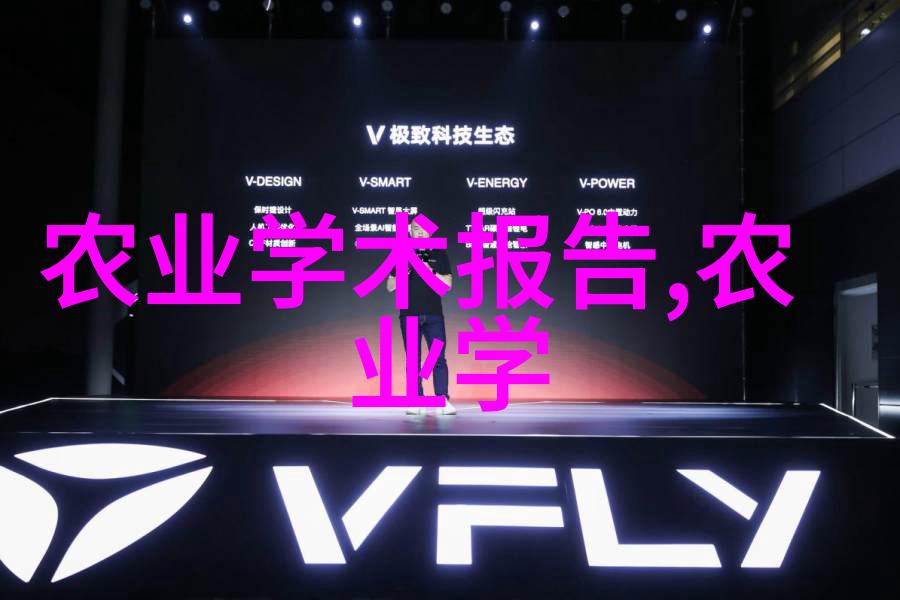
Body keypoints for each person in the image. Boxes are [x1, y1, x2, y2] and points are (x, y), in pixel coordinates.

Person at [387, 220, 456, 416]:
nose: (419, 233)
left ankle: (442, 399)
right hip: (409, 313)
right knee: (413, 360)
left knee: (438, 358)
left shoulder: (439, 252)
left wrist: (428, 268)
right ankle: (416, 399)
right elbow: (390, 286)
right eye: (415, 229)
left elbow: (447, 284)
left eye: (424, 229)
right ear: (410, 232)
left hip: (433, 314)